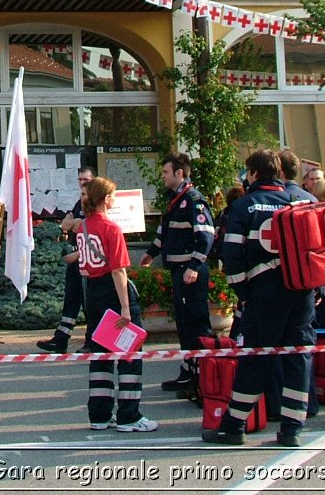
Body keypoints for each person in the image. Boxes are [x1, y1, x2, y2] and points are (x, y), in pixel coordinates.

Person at [204, 149, 313, 448]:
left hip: (263, 296)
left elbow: (232, 256)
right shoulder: (305, 201)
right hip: (302, 293)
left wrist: (244, 295)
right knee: (298, 358)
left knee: (255, 358)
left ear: (253, 173)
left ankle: (234, 426)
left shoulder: (244, 206)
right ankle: (292, 429)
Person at [78, 176, 158, 432]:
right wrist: (125, 307)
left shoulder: (84, 226)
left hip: (93, 295)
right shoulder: (111, 228)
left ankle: (99, 415)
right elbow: (118, 271)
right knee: (130, 354)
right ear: (105, 199)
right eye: (113, 195)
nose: (115, 199)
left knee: (100, 356)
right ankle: (129, 415)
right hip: (113, 294)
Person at [139, 153, 214, 397]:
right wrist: (151, 253)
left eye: (165, 173)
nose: (163, 177)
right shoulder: (175, 201)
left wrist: (194, 266)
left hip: (190, 273)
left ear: (179, 173)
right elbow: (165, 233)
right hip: (180, 273)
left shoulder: (193, 200)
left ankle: (205, 375)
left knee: (196, 323)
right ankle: (188, 371)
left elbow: (206, 236)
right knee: (184, 324)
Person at [38, 166, 94, 352]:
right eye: (80, 180)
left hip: (87, 259)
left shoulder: (95, 204)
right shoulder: (80, 202)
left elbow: (87, 229)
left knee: (88, 302)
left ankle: (91, 341)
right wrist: (74, 224)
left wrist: (75, 224)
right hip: (75, 258)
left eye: (86, 180)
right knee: (71, 299)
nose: (82, 183)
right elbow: (66, 223)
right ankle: (61, 338)